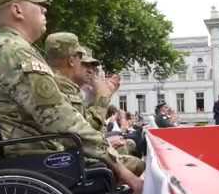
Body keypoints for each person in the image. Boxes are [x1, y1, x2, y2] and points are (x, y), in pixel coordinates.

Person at [0, 0, 143, 194]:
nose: (44, 10)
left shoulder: (3, 51)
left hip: (30, 160)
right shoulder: (13, 52)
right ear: (17, 10)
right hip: (40, 163)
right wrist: (114, 161)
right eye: (37, 5)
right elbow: (59, 118)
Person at [44, 32, 145, 176]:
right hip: (64, 158)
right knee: (137, 164)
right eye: (84, 63)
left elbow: (90, 130)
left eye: (95, 67)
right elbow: (85, 130)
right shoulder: (61, 87)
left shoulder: (70, 88)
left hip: (71, 152)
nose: (92, 71)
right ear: (72, 61)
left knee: (129, 149)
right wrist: (103, 98)